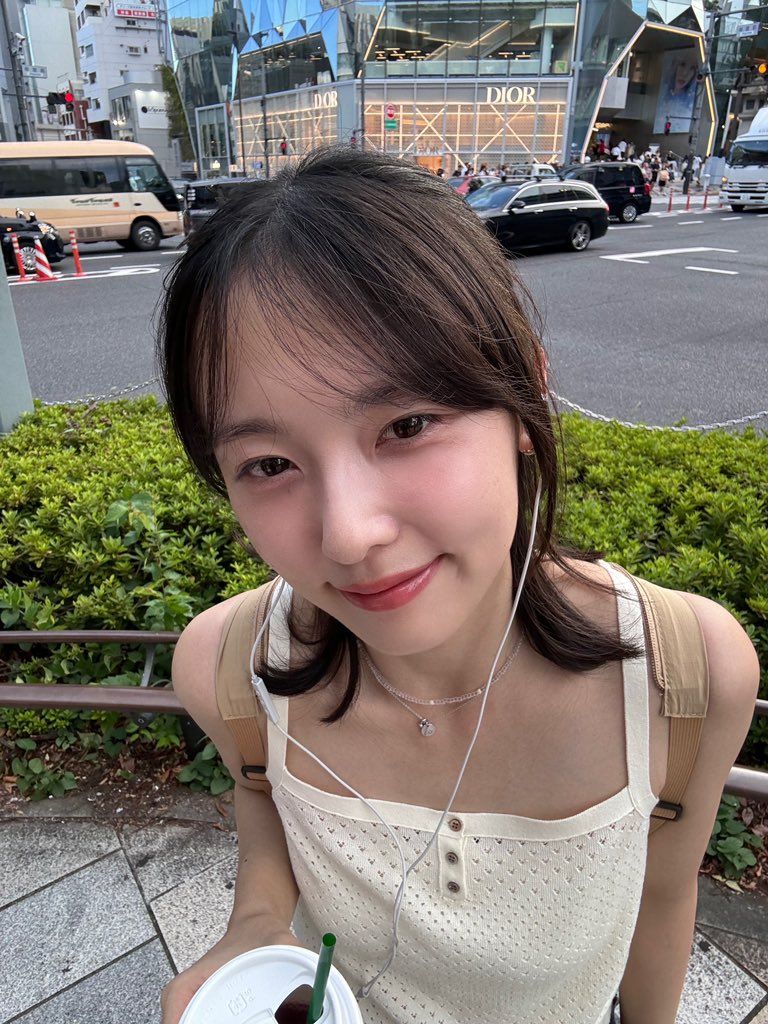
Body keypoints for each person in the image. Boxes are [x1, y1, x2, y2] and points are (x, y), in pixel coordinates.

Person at [157, 147, 758, 1024]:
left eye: (407, 423)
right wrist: (252, 928)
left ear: (524, 404)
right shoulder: (226, 668)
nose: (349, 533)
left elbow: (662, 904)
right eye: (269, 462)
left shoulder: (685, 677)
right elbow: (264, 810)